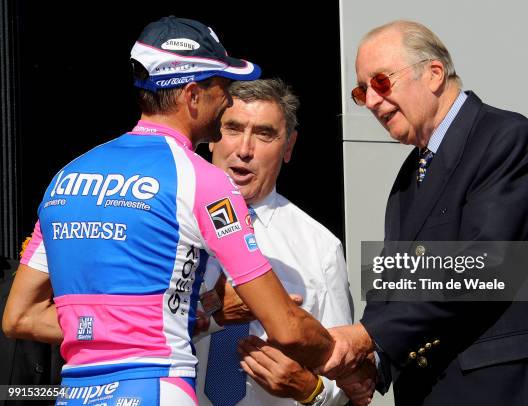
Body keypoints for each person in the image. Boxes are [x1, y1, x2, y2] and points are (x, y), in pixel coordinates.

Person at [2, 16, 334, 405]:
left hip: (78, 395)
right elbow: (287, 326)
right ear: (192, 95)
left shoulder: (67, 177)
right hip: (156, 389)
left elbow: (18, 318)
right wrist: (350, 358)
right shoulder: (203, 180)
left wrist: (115, 327)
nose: (227, 100)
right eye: (221, 89)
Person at [320, 20, 528, 405]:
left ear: (434, 74)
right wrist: (373, 362)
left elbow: (484, 265)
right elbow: (392, 283)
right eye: (361, 90)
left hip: (515, 388)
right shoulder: (409, 178)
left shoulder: (504, 138)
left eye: (381, 82)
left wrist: (369, 336)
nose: (370, 100)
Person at [194, 78, 352, 406]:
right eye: (233, 128)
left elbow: (345, 374)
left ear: (289, 146)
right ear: (210, 137)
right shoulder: (167, 224)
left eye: (264, 134)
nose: (244, 149)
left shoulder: (320, 247)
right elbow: (133, 331)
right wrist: (211, 307)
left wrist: (311, 389)